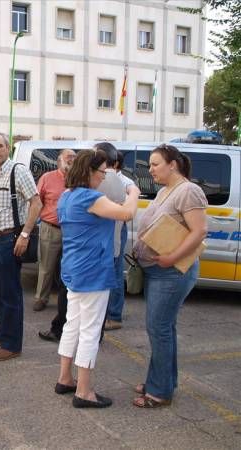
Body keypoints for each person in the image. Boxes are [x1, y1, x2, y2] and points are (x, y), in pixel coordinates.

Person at [55, 149, 139, 408]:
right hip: (93, 272)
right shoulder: (91, 198)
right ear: (89, 171)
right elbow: (127, 214)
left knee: (72, 324)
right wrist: (134, 193)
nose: (104, 177)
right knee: (90, 331)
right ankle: (84, 391)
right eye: (102, 172)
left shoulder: (66, 196)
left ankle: (65, 378)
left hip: (74, 268)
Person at [132, 144, 207, 408]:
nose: (150, 169)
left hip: (172, 272)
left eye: (154, 164)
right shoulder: (166, 190)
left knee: (159, 329)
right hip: (158, 271)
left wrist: (171, 258)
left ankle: (160, 391)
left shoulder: (188, 191)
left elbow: (199, 232)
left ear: (172, 164)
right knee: (164, 328)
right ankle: (162, 381)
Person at [0, 132, 41, 361]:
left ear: (7, 148)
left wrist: (24, 234)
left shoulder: (18, 170)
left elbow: (36, 202)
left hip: (8, 240)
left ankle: (12, 344)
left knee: (10, 293)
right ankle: (2, 332)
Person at [94, 143, 137, 332]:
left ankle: (112, 315)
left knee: (113, 273)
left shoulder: (108, 180)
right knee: (114, 272)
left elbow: (125, 212)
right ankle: (111, 314)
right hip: (116, 228)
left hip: (112, 229)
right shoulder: (121, 181)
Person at [33, 148, 76, 312]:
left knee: (70, 266)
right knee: (46, 266)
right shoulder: (47, 177)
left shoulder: (80, 178)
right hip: (50, 228)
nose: (71, 159)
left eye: (74, 157)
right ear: (60, 160)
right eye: (68, 157)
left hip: (72, 230)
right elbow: (37, 201)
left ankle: (67, 301)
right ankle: (41, 298)